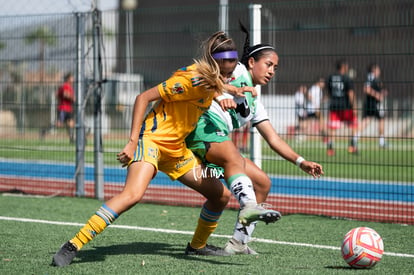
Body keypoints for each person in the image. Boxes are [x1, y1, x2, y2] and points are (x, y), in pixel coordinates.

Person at [52, 31, 242, 267]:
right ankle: (73, 245)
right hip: (150, 141)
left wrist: (228, 93)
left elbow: (211, 88)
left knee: (220, 195)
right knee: (133, 195)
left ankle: (197, 247)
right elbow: (143, 97)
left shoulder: (211, 82)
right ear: (215, 62)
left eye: (234, 64)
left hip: (176, 151)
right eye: (228, 66)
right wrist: (132, 141)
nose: (232, 70)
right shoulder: (187, 81)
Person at [186, 24, 324, 255]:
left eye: (275, 68)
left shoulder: (255, 104)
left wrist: (301, 162)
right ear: (251, 62)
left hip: (218, 140)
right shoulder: (237, 70)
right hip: (202, 131)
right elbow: (204, 74)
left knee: (262, 182)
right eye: (268, 64)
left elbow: (273, 139)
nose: (272, 71)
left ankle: (239, 242)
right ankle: (248, 205)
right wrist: (221, 93)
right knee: (233, 157)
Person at [325, 60, 358, 156]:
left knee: (332, 128)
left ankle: (330, 149)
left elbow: (329, 92)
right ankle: (352, 146)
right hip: (345, 106)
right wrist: (354, 106)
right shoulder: (347, 78)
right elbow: (350, 93)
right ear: (343, 67)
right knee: (354, 125)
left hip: (334, 105)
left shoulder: (331, 77)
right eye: (346, 66)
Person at [355, 63, 388, 148]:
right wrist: (377, 95)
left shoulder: (376, 79)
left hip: (372, 103)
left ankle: (355, 138)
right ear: (374, 70)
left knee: (368, 120)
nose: (379, 71)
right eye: (377, 69)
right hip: (373, 103)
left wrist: (382, 93)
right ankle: (381, 141)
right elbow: (366, 89)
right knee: (380, 119)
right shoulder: (371, 77)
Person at [40, 72, 75, 143]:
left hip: (69, 109)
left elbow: (57, 95)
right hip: (63, 109)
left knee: (71, 124)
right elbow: (65, 94)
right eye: (72, 78)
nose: (73, 79)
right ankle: (45, 130)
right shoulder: (65, 85)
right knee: (59, 124)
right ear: (68, 79)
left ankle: (71, 139)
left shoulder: (69, 87)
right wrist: (72, 98)